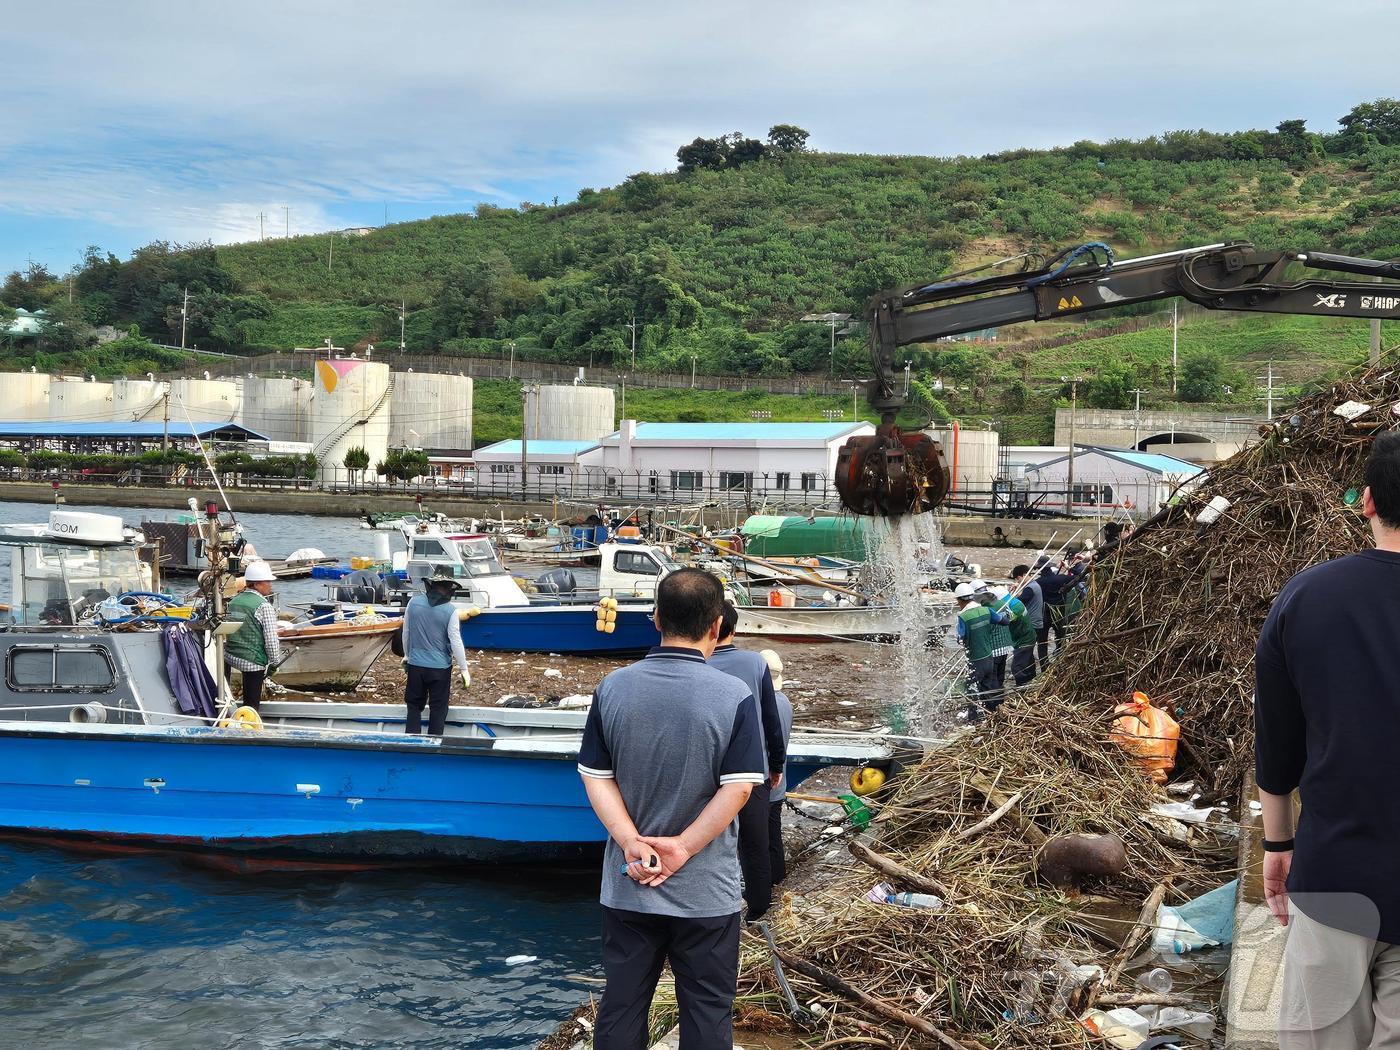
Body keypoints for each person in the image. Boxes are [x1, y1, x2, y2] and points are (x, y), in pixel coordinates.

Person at [578, 568, 764, 1050]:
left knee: (621, 1005)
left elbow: (596, 777)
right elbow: (739, 789)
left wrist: (630, 842)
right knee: (705, 1012)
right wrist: (682, 847)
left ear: (656, 618)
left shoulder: (613, 688)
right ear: (717, 624)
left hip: (628, 883)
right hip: (706, 893)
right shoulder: (734, 695)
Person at [1256, 432, 1400, 1049]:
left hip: (1337, 874)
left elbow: (1277, 746)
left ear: (1365, 500)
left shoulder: (1307, 598)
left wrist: (1277, 841)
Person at [708, 602, 787, 921]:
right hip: (753, 768)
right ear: (734, 629)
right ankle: (758, 908)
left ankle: (711, 907)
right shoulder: (756, 664)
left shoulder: (702, 661)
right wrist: (777, 764)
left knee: (710, 841)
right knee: (755, 842)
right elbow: (770, 718)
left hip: (711, 767)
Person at [401, 568, 470, 736]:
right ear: (448, 588)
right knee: (438, 708)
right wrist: (464, 669)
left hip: (416, 665)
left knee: (414, 706)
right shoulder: (450, 611)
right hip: (440, 668)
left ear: (431, 585)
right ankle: (434, 742)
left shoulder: (413, 603)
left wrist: (407, 655)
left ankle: (411, 742)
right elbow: (455, 641)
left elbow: (406, 633)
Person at [223, 560, 282, 712]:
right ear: (256, 584)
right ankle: (249, 720)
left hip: (230, 656)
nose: (270, 584)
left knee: (227, 694)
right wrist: (275, 663)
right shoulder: (264, 606)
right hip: (252, 661)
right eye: (267, 581)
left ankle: (226, 707)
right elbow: (271, 641)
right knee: (251, 705)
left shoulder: (234, 601)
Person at [759, 648, 794, 888]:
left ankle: (762, 887)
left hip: (763, 781)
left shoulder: (761, 705)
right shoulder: (785, 703)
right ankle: (778, 881)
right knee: (773, 836)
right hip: (778, 782)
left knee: (756, 842)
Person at [954, 582, 1005, 717]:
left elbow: (960, 638)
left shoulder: (963, 617)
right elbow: (1003, 621)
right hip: (989, 657)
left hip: (975, 660)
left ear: (959, 600)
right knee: (988, 687)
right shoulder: (986, 610)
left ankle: (974, 718)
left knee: (971, 689)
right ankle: (993, 714)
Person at [992, 584, 1037, 688]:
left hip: (1024, 640)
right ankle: (1031, 684)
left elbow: (1005, 620)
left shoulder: (1015, 606)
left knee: (1017, 667)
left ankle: (1022, 688)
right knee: (1028, 662)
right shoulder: (1013, 602)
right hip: (1024, 637)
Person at [974, 581, 1014, 697]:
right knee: (1000, 676)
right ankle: (1000, 701)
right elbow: (1010, 617)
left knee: (992, 678)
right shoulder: (1001, 603)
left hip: (994, 648)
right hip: (1006, 645)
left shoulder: (984, 609)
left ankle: (994, 704)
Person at [1033, 555, 1073, 664]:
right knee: (1060, 638)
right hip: (1059, 614)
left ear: (1039, 569)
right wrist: (1068, 567)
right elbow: (1081, 576)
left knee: (1042, 643)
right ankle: (1061, 663)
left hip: (1044, 615)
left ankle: (1044, 666)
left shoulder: (1037, 582)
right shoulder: (1061, 578)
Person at [1011, 564, 1045, 673]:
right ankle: (1030, 675)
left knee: (1024, 653)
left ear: (1025, 575)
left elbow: (1017, 603)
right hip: (1037, 623)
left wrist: (1012, 594)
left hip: (1032, 625)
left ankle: (1024, 677)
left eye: (1018, 578)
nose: (1018, 581)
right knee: (1028, 654)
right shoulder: (1034, 585)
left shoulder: (1030, 588)